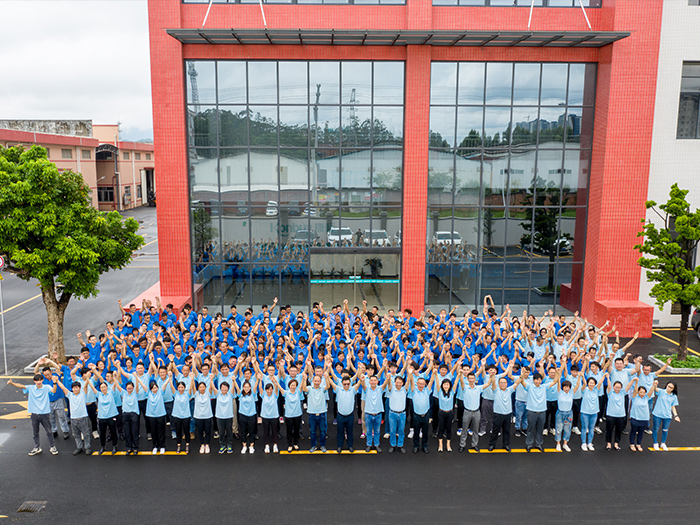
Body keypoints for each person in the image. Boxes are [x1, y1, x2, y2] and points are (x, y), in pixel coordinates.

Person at [7, 375, 58, 456]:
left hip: (44, 413)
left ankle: (52, 446)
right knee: (35, 432)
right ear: (34, 381)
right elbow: (21, 386)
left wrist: (54, 383)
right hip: (34, 414)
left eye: (40, 380)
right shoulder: (31, 388)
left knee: (49, 431)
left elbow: (54, 391)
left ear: (42, 380)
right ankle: (37, 447)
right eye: (36, 380)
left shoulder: (47, 387)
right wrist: (12, 383)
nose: (38, 382)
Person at [53, 375, 92, 455]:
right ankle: (79, 447)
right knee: (76, 435)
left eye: (77, 387)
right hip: (73, 419)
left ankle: (87, 447)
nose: (75, 389)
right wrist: (57, 381)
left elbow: (85, 386)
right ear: (72, 389)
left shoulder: (83, 394)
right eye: (74, 388)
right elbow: (63, 388)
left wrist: (87, 378)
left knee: (86, 434)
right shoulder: (70, 395)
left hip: (83, 418)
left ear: (79, 388)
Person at [457, 369, 492, 453]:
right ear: (468, 379)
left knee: (476, 430)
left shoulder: (478, 388)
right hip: (467, 411)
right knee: (464, 429)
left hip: (476, 412)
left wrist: (491, 376)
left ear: (475, 379)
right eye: (470, 378)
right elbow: (461, 381)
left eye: (473, 378)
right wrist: (460, 374)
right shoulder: (465, 388)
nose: (472, 380)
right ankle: (462, 445)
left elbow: (488, 384)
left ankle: (474, 444)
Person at [86, 371, 119, 455]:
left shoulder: (111, 392)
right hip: (102, 417)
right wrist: (87, 379)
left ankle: (115, 445)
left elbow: (115, 384)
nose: (103, 388)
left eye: (104, 387)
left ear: (107, 387)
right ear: (100, 389)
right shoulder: (99, 394)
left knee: (113, 432)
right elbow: (92, 387)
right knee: (102, 433)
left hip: (111, 416)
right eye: (101, 387)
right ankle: (102, 446)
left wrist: (114, 377)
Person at [329, 373, 361, 453]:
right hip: (340, 415)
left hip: (350, 415)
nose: (346, 385)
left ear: (350, 383)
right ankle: (339, 446)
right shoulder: (338, 389)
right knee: (340, 432)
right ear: (342, 384)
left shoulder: (353, 390)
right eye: (344, 384)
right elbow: (331, 382)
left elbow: (359, 382)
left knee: (350, 432)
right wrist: (327, 374)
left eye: (348, 384)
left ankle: (350, 446)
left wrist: (361, 376)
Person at [488, 369, 518, 452]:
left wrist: (521, 375)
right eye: (501, 382)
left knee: (507, 431)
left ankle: (506, 445)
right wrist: (492, 375)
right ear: (499, 384)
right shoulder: (496, 390)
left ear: (507, 384)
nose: (503, 384)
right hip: (498, 414)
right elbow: (493, 382)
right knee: (495, 431)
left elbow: (517, 383)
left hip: (508, 414)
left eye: (504, 383)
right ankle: (492, 444)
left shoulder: (510, 390)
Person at [301, 371, 332, 453]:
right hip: (312, 413)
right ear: (313, 381)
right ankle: (313, 446)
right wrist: (304, 380)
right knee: (313, 431)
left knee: (323, 431)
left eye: (318, 381)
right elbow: (304, 389)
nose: (316, 382)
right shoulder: (309, 388)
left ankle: (322, 445)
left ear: (321, 382)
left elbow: (328, 386)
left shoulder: (322, 389)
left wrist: (327, 378)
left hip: (322, 413)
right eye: (315, 381)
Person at [407, 368, 435, 454]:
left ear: (425, 384)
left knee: (425, 432)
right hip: (416, 416)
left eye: (422, 384)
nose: (421, 385)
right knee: (416, 432)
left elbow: (431, 381)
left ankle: (424, 446)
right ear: (417, 384)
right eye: (419, 383)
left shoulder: (427, 390)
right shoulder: (413, 391)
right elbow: (411, 381)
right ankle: (416, 446)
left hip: (425, 415)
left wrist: (433, 373)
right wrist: (410, 374)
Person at [276, 376, 304, 452]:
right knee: (289, 431)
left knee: (296, 430)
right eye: (291, 385)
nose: (293, 386)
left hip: (297, 414)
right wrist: (276, 381)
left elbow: (301, 385)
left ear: (296, 386)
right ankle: (290, 444)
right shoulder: (286, 393)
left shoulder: (298, 392)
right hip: (288, 415)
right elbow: (279, 387)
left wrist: (303, 379)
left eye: (294, 385)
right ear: (289, 385)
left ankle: (295, 443)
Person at [652, 381, 681, 451]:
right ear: (666, 385)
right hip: (657, 414)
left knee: (665, 430)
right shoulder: (661, 392)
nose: (669, 388)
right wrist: (655, 384)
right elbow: (655, 389)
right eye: (668, 386)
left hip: (667, 416)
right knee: (655, 429)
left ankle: (663, 443)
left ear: (673, 389)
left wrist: (676, 416)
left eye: (671, 388)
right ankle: (655, 443)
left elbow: (673, 407)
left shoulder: (674, 396)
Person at [629, 377, 655, 452]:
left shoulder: (646, 398)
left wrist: (654, 385)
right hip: (635, 418)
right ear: (638, 392)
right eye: (641, 392)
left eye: (644, 392)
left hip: (644, 419)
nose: (642, 394)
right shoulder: (635, 397)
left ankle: (638, 444)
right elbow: (635, 390)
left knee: (641, 432)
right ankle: (632, 444)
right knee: (633, 431)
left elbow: (650, 392)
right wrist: (636, 382)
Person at [146, 374, 170, 455]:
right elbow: (142, 385)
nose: (155, 389)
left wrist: (169, 378)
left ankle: (162, 446)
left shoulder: (160, 392)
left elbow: (165, 384)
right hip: (151, 415)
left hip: (161, 415)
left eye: (156, 387)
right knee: (153, 432)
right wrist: (136, 378)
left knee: (161, 431)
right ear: (151, 389)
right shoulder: (148, 393)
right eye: (153, 388)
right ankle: (155, 446)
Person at [605, 377, 629, 451]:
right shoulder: (610, 393)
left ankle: (616, 443)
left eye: (619, 387)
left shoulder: (623, 393)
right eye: (616, 387)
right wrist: (608, 378)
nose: (617, 389)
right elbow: (609, 386)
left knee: (619, 430)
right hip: (611, 415)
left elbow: (628, 386)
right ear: (613, 387)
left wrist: (633, 380)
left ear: (621, 388)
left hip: (621, 415)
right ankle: (608, 443)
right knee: (609, 430)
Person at [386, 374, 408, 453]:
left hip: (402, 414)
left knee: (401, 430)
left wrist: (409, 373)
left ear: (402, 383)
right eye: (397, 382)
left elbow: (408, 380)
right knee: (392, 430)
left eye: (400, 382)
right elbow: (389, 383)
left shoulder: (404, 390)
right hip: (392, 413)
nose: (398, 384)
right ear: (394, 382)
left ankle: (400, 445)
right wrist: (388, 378)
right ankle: (393, 445)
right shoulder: (391, 389)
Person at [169, 379, 192, 454]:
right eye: (179, 387)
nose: (180, 389)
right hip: (177, 416)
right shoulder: (175, 393)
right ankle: (178, 445)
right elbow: (171, 386)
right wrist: (170, 378)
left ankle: (187, 445)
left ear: (184, 388)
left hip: (186, 416)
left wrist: (192, 379)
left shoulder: (187, 394)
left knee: (186, 431)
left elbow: (191, 387)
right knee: (178, 431)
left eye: (182, 387)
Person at [192, 378, 215, 454]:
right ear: (198, 388)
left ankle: (207, 445)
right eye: (200, 387)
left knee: (208, 432)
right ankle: (202, 445)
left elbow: (211, 387)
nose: (202, 388)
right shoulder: (196, 394)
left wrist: (211, 379)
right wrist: (192, 379)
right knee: (200, 432)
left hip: (207, 416)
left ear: (205, 387)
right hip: (199, 416)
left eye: (203, 387)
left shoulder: (208, 394)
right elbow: (193, 387)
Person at [259, 379, 280, 454]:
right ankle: (267, 445)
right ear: (266, 390)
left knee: (275, 431)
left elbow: (276, 388)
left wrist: (275, 382)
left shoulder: (275, 395)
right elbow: (260, 388)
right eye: (268, 389)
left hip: (274, 416)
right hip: (265, 416)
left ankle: (275, 445)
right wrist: (260, 380)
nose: (269, 391)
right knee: (266, 432)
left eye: (271, 389)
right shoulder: (263, 395)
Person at [237, 378, 257, 454]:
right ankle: (244, 446)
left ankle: (251, 446)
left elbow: (255, 386)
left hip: (252, 415)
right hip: (242, 415)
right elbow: (237, 387)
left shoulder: (253, 394)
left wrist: (258, 380)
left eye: (248, 387)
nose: (246, 388)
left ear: (250, 387)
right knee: (243, 432)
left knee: (252, 432)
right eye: (245, 387)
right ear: (243, 387)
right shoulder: (240, 394)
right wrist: (234, 381)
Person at [580, 377, 600, 451]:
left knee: (591, 428)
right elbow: (584, 384)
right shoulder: (584, 390)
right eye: (590, 382)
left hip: (594, 413)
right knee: (584, 428)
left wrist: (605, 376)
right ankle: (583, 443)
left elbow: (600, 383)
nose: (591, 384)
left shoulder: (596, 390)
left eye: (593, 383)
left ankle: (589, 443)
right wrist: (582, 376)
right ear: (587, 383)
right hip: (585, 412)